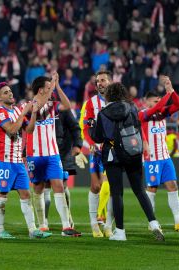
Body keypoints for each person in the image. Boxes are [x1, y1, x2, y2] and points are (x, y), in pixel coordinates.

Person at [89, 82, 164, 241]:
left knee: (117, 194)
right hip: (133, 152)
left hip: (113, 154)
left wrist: (92, 126)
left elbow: (97, 137)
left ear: (108, 95)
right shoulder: (132, 108)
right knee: (140, 190)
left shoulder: (103, 113)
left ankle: (120, 232)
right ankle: (154, 223)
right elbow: (138, 128)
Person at [0, 82, 51, 239]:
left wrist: (33, 114)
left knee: (26, 195)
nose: (10, 94)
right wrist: (24, 112)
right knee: (2, 196)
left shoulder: (17, 110)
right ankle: (0, 230)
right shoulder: (0, 113)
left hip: (18, 161)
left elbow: (29, 130)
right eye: (5, 92)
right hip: (4, 161)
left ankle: (33, 230)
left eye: (10, 91)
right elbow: (11, 129)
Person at [26, 74, 81, 237]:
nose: (52, 89)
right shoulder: (28, 106)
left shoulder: (53, 106)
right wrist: (52, 85)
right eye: (49, 86)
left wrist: (56, 86)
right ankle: (42, 225)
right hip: (35, 155)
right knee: (38, 188)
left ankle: (66, 227)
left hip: (52, 154)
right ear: (42, 89)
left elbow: (67, 105)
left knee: (58, 186)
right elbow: (34, 114)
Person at [138, 76, 179, 232]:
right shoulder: (142, 114)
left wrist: (171, 90)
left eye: (158, 101)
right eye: (154, 102)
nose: (157, 104)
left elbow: (177, 104)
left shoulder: (162, 113)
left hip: (165, 157)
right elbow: (157, 108)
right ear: (146, 102)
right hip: (152, 159)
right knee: (152, 188)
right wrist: (167, 95)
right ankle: (152, 222)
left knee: (173, 186)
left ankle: (178, 221)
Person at [79, 70, 113, 237]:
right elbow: (86, 128)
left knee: (111, 186)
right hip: (97, 150)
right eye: (97, 81)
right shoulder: (91, 103)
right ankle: (94, 224)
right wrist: (91, 144)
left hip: (114, 149)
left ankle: (108, 226)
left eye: (103, 80)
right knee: (96, 186)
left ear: (110, 82)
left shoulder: (118, 102)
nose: (99, 83)